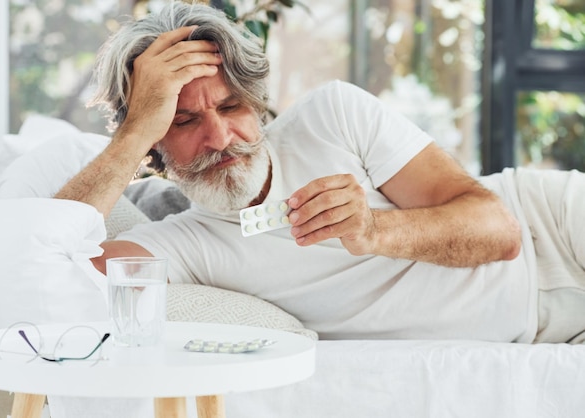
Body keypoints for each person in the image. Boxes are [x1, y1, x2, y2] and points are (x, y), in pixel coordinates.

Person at [55, 1, 585, 343]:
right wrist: (132, 133)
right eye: (183, 120)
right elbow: (52, 268)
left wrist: (373, 230)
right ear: (154, 144)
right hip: (541, 332)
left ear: (257, 103)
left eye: (232, 107)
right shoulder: (184, 246)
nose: (219, 138)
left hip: (554, 229)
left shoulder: (333, 115)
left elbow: (499, 231)